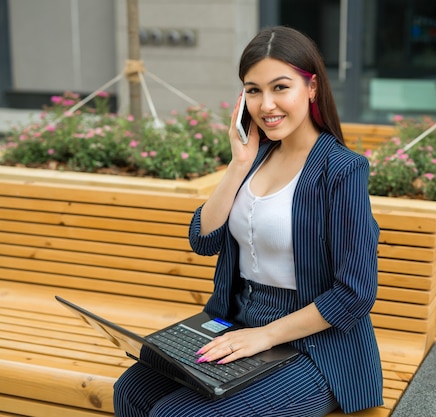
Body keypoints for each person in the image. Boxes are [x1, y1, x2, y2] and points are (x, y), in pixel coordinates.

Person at [113, 25, 383, 417]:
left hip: (316, 347)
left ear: (311, 88)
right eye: (253, 90)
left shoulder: (341, 170)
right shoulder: (254, 157)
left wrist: (265, 335)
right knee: (131, 391)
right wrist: (238, 164)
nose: (266, 104)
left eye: (280, 87)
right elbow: (203, 241)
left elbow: (355, 293)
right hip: (236, 323)